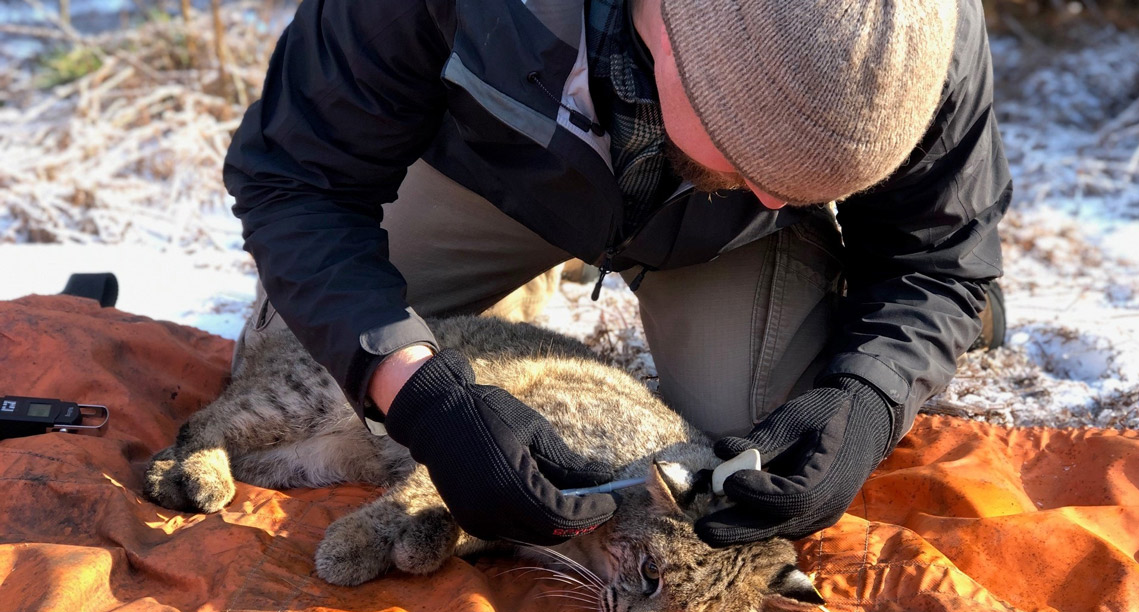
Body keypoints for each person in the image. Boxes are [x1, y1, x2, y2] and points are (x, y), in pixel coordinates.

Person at [224, 0, 1010, 547]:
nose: (777, 190)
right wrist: (419, 397)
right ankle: (516, 280)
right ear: (669, 27)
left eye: (813, 184)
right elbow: (296, 178)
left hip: (724, 238)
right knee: (299, 363)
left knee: (760, 453)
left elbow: (939, 263)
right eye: (751, 154)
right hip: (489, 163)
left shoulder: (927, 43)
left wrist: (867, 401)